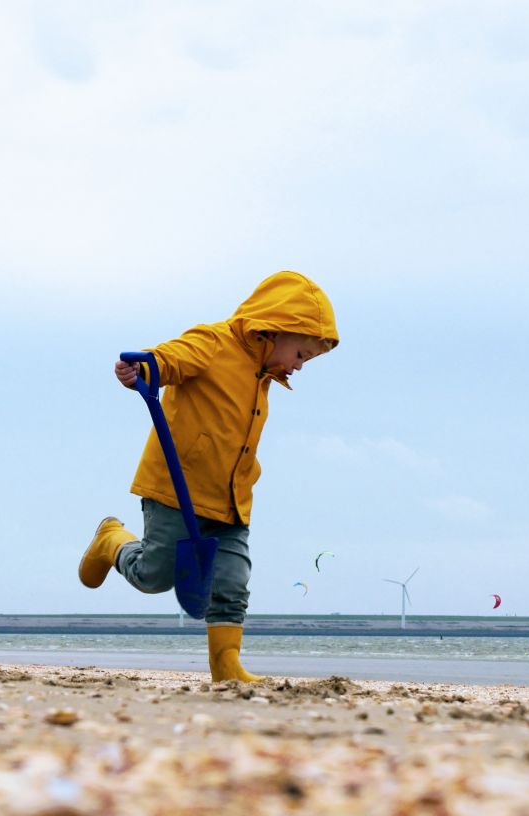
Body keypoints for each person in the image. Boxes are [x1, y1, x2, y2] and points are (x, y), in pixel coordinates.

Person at [78, 270, 339, 683]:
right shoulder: (215, 343)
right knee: (154, 576)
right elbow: (170, 358)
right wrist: (146, 370)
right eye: (301, 355)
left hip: (232, 499)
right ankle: (111, 539)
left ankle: (226, 666)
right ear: (276, 329)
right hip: (175, 488)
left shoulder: (263, 376)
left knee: (232, 583)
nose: (299, 367)